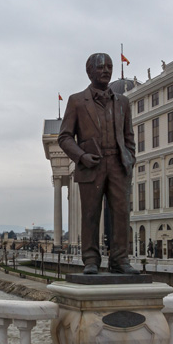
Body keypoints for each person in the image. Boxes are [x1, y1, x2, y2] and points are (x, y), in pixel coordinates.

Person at [58, 53, 138, 275]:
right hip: (91, 165)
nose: (106, 70)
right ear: (89, 71)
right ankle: (91, 260)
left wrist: (130, 158)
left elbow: (128, 135)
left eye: (109, 67)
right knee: (91, 214)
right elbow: (64, 137)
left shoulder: (123, 102)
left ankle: (120, 260)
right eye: (101, 67)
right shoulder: (76, 101)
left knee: (121, 213)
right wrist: (81, 156)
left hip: (118, 164)